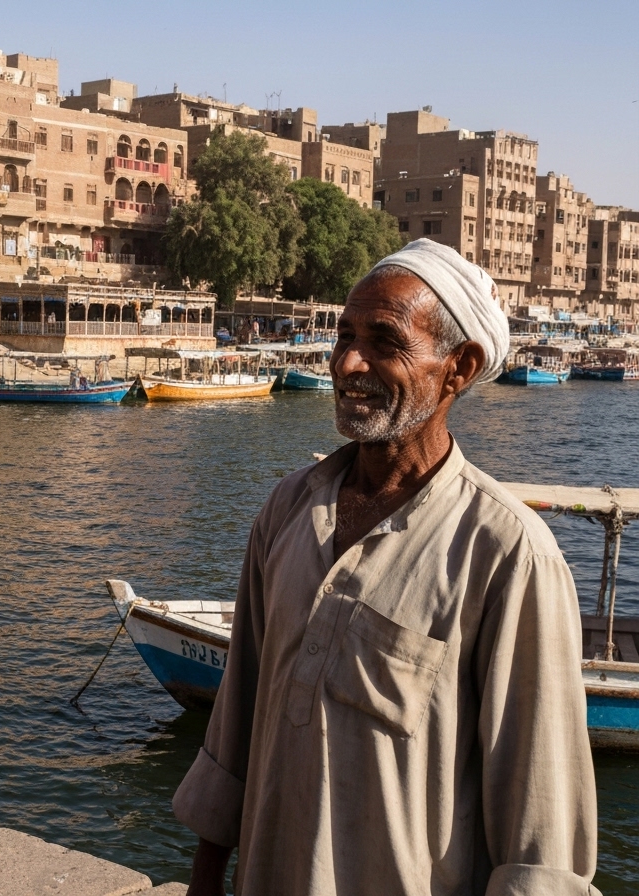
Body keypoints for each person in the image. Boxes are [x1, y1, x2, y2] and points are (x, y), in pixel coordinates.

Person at [175, 239, 598, 896]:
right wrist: (204, 879)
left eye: (384, 341)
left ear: (458, 368)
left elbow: (538, 831)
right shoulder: (288, 509)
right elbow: (236, 720)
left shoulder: (508, 555)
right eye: (344, 334)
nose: (348, 362)